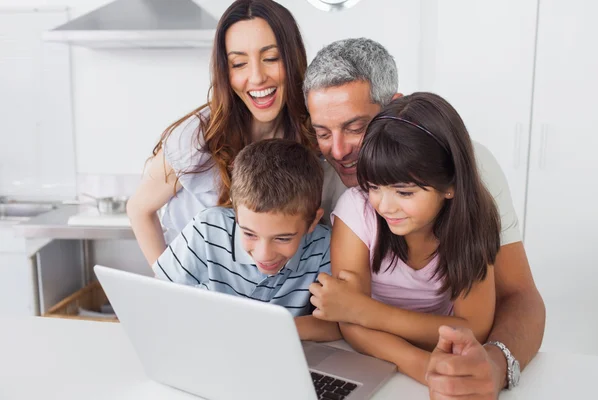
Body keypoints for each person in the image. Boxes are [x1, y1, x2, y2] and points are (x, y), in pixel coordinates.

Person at [303, 38, 545, 398]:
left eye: (356, 128)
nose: (338, 151)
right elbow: (346, 316)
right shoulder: (339, 195)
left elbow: (513, 299)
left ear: (394, 110)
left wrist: (493, 366)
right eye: (323, 133)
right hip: (364, 361)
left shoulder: (464, 176)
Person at [308, 92, 500, 383]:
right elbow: (348, 323)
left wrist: (365, 312)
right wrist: (423, 366)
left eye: (405, 192)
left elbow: (474, 329)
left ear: (449, 185)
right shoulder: (357, 210)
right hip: (382, 361)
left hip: (435, 353)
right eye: (374, 186)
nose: (385, 206)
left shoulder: (472, 222)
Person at [127, 0, 315, 265]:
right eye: (239, 64)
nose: (257, 77)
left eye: (271, 59)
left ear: (293, 58)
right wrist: (168, 283)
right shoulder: (198, 138)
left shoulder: (313, 133)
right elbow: (139, 208)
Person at [152, 139, 340, 342]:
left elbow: (337, 325)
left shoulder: (324, 246)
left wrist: (261, 329)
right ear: (236, 212)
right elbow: (160, 303)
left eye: (283, 238)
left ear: (312, 221)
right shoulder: (207, 229)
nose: (264, 255)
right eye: (249, 234)